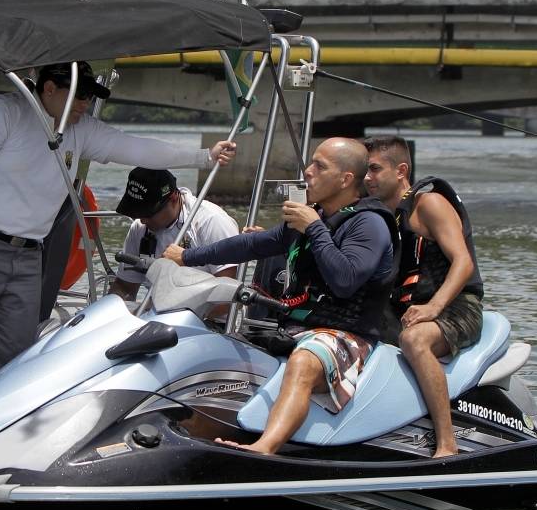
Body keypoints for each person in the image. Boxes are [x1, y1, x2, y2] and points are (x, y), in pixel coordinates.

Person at [0, 61, 237, 380]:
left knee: (3, 360)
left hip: (27, 256)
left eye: (90, 97)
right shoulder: (1, 111)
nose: (85, 104)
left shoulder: (81, 129)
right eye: (80, 96)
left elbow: (136, 149)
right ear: (49, 88)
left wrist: (203, 157)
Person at [164, 138, 397, 455]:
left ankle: (264, 449)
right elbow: (251, 245)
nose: (308, 172)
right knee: (215, 346)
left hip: (346, 335)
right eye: (311, 163)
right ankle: (188, 429)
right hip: (295, 327)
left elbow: (346, 281)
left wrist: (314, 229)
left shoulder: (368, 224)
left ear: (345, 179)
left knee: (304, 360)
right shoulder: (313, 218)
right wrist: (187, 256)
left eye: (319, 166)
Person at [364, 135, 484, 458]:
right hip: (406, 310)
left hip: (458, 308)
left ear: (401, 170)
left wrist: (433, 307)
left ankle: (447, 444)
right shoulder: (382, 215)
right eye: (365, 170)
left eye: (375, 169)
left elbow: (463, 262)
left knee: (414, 341)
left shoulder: (428, 205)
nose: (367, 178)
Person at [108, 167, 240, 302]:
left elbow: (226, 300)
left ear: (173, 198)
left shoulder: (212, 222)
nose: (142, 220)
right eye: (137, 213)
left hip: (210, 319)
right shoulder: (139, 227)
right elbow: (125, 287)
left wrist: (165, 308)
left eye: (148, 213)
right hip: (157, 313)